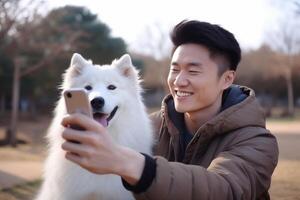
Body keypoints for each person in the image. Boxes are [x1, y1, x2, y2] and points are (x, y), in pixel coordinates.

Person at [61, 20, 279, 199]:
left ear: (227, 79)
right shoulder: (149, 128)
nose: (179, 81)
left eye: (193, 71)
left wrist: (134, 166)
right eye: (175, 69)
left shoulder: (257, 142)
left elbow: (226, 189)